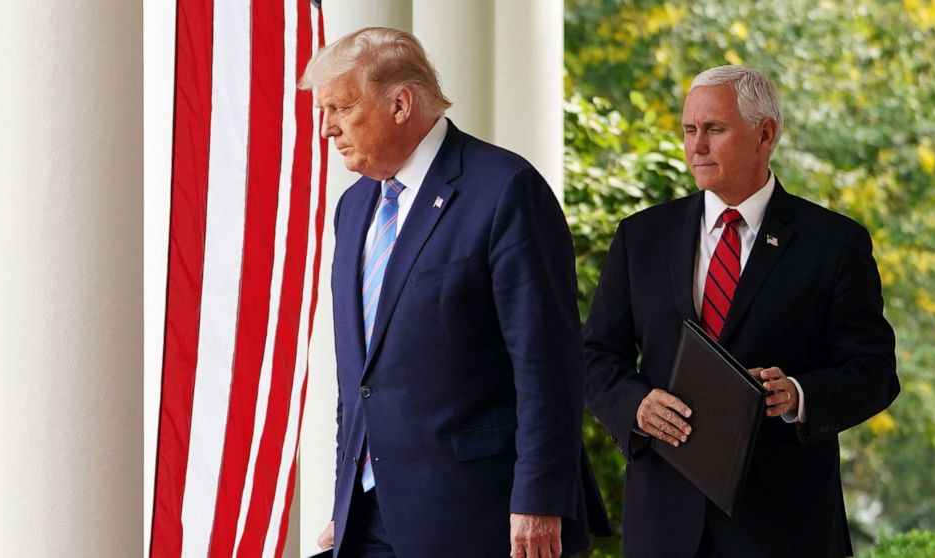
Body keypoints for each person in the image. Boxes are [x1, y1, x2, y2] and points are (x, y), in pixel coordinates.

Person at [300, 27, 608, 558]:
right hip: (370, 519)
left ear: (400, 104)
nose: (326, 129)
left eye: (341, 109)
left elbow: (548, 364)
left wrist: (538, 499)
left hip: (479, 517)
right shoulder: (353, 209)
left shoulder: (505, 189)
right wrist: (343, 500)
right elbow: (361, 379)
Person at [583, 65, 899, 557]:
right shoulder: (641, 236)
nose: (696, 146)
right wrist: (636, 406)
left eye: (714, 129)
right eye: (689, 130)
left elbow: (876, 372)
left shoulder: (834, 244)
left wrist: (796, 394)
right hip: (664, 526)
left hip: (784, 528)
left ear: (765, 134)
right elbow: (595, 356)